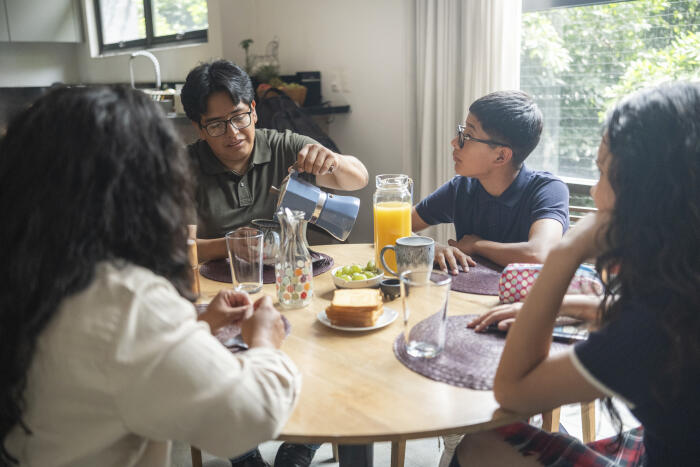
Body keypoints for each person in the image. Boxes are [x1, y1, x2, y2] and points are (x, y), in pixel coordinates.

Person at [0, 86, 300, 466]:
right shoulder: (125, 298)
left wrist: (195, 327)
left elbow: (105, 364)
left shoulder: (31, 270)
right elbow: (247, 418)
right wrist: (265, 342)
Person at [452, 81, 700, 466]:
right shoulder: (679, 300)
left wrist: (566, 254)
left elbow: (513, 391)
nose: (596, 194)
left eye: (602, 174)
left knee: (481, 443)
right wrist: (584, 306)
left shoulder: (645, 335)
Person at [181, 60, 369, 262]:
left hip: (290, 279)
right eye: (216, 125)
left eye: (238, 117)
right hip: (220, 287)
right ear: (199, 128)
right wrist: (228, 245)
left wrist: (334, 162)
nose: (233, 133)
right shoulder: (183, 167)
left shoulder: (285, 147)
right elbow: (180, 247)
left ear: (253, 111)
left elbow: (360, 179)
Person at [412, 91, 569, 273]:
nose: (455, 142)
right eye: (461, 132)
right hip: (468, 298)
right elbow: (395, 226)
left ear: (501, 156)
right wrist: (431, 248)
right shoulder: (462, 188)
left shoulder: (549, 190)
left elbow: (539, 254)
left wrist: (478, 245)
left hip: (527, 300)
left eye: (468, 136)